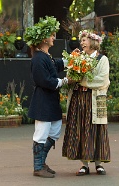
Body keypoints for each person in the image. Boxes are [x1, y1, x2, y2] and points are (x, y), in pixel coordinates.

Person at [24, 16, 68, 178]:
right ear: (43, 38)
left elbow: (55, 64)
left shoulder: (44, 55)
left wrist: (72, 60)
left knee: (55, 131)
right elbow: (44, 80)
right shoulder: (38, 58)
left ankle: (41, 162)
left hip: (51, 101)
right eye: (52, 35)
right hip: (43, 101)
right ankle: (38, 167)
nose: (54, 38)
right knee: (41, 134)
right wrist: (65, 81)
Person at [62, 30, 111, 176]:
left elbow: (103, 80)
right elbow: (70, 76)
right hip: (79, 99)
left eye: (85, 40)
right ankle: (84, 164)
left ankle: (99, 163)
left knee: (96, 129)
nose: (82, 42)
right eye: (81, 40)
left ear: (93, 42)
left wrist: (82, 80)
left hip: (95, 99)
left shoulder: (102, 59)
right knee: (81, 130)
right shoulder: (78, 57)